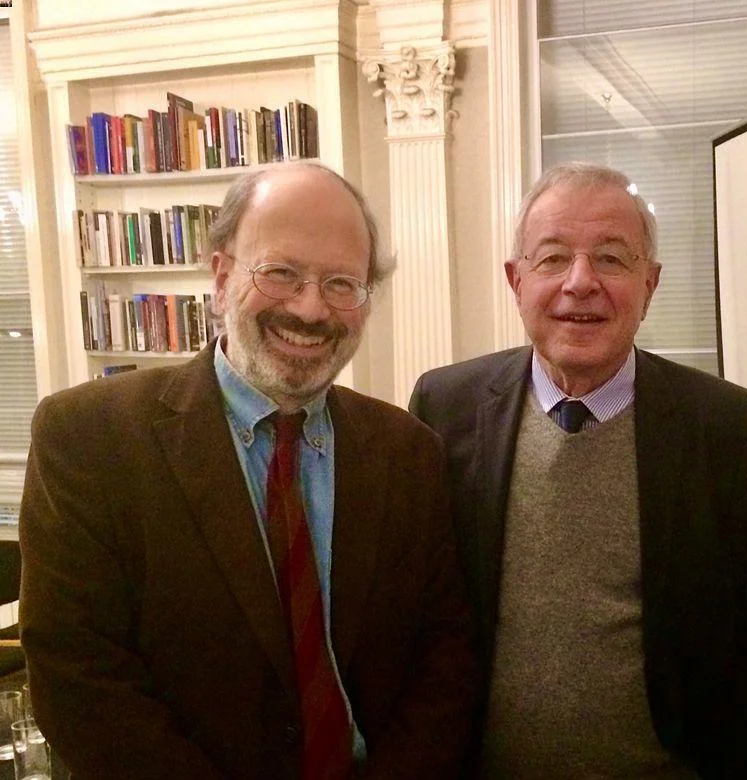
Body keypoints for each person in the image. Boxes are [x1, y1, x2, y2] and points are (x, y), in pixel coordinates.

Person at [19, 162, 479, 779]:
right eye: (282, 273)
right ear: (221, 275)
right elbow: (79, 676)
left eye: (342, 283)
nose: (312, 309)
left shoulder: (408, 451)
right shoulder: (89, 439)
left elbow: (443, 659)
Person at [408, 162, 747, 778]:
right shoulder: (445, 406)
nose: (580, 283)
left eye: (612, 259)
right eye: (553, 258)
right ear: (516, 279)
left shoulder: (724, 426)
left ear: (650, 283)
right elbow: (421, 616)